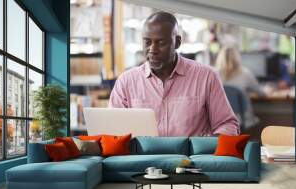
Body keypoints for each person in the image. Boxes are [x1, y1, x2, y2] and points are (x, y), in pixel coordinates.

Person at [109, 11, 239, 137]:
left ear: (177, 42)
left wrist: (210, 144)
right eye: (147, 42)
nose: (152, 50)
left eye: (161, 43)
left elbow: (227, 125)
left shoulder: (206, 77)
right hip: (142, 158)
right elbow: (111, 129)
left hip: (191, 158)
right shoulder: (126, 81)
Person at [215, 46, 266, 129]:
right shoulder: (245, 73)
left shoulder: (213, 74)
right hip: (242, 120)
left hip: (219, 121)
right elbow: (261, 93)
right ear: (237, 58)